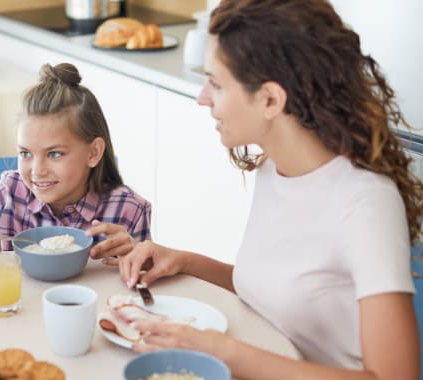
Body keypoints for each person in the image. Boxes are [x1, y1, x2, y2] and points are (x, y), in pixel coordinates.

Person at [118, 0, 421, 379]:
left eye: (215, 83)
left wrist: (223, 351)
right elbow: (279, 294)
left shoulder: (366, 204)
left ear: (270, 100)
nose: (202, 97)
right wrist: (185, 261)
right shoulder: (274, 170)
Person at [0, 63, 151, 263]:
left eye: (55, 154)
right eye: (25, 153)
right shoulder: (11, 191)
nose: (37, 171)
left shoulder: (129, 209)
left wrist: (133, 253)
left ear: (93, 153)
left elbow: (145, 284)